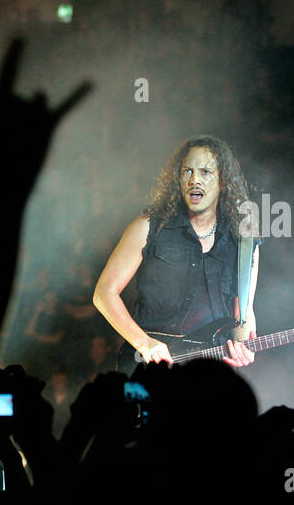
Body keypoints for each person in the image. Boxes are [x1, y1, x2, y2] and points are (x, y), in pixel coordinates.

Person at [93, 136, 259, 368]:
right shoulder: (148, 227)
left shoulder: (244, 241)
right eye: (187, 172)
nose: (194, 180)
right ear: (178, 179)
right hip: (151, 368)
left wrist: (242, 348)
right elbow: (104, 293)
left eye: (205, 172)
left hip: (210, 371)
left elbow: (244, 312)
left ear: (223, 182)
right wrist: (144, 342)